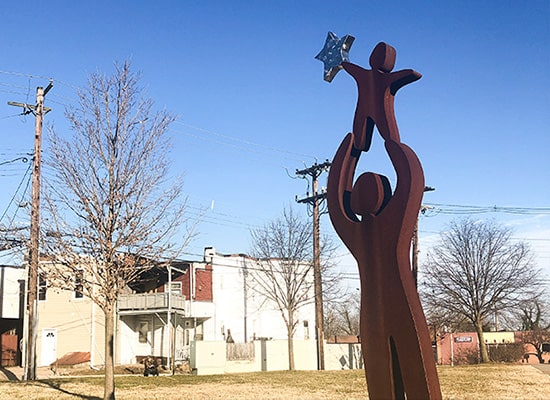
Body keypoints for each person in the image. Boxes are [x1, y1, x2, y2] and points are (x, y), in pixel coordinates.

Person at [327, 42, 441, 400]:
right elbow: (409, 180)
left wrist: (352, 149)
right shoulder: (392, 222)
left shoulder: (353, 231)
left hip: (371, 316)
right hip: (401, 308)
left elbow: (334, 196)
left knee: (382, 386)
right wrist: (393, 142)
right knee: (417, 382)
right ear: (383, 195)